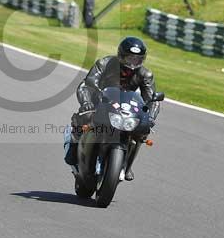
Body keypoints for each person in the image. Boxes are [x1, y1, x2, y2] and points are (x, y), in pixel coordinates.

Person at [64, 36, 161, 181]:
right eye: (130, 58)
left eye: (137, 59)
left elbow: (152, 99)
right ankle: (73, 148)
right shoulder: (105, 63)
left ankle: (127, 166)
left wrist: (150, 117)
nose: (133, 63)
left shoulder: (145, 74)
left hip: (125, 107)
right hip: (100, 100)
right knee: (85, 118)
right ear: (121, 55)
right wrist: (87, 102)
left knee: (141, 132)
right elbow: (89, 83)